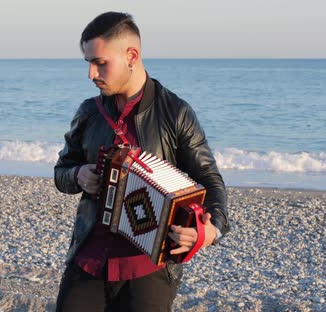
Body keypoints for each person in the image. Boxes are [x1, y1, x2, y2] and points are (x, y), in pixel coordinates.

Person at [54, 11, 229, 312]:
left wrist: (210, 230)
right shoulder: (89, 111)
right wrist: (78, 174)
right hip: (89, 259)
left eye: (100, 63)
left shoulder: (175, 112)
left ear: (131, 55)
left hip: (149, 267)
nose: (91, 74)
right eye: (89, 64)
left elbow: (210, 179)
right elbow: (61, 172)